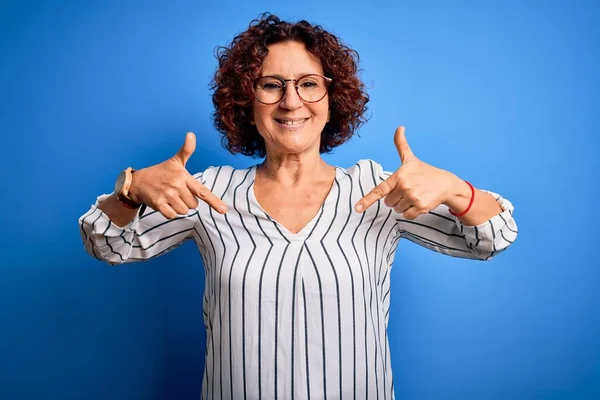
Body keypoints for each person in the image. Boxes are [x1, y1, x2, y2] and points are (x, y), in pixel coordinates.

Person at [79, 13, 518, 400]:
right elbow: (108, 243)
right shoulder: (208, 192)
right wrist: (130, 190)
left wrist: (456, 189)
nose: (291, 101)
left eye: (309, 84)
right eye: (271, 85)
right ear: (246, 102)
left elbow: (493, 237)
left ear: (333, 100)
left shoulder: (379, 189)